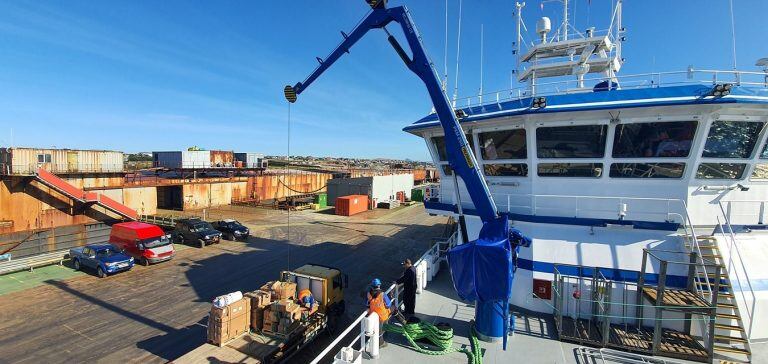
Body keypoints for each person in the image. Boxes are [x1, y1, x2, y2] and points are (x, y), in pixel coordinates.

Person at [367, 278, 392, 347]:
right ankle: (381, 343)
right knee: (381, 328)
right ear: (379, 285)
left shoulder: (369, 293)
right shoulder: (382, 294)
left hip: (373, 314)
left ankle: (381, 339)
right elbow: (388, 304)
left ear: (372, 286)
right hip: (382, 315)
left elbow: (367, 304)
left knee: (378, 328)